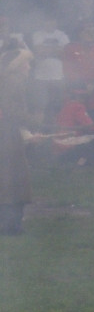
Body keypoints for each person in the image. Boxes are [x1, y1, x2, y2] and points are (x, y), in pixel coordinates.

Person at [0, 43, 35, 235]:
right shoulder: (13, 81)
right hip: (6, 134)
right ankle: (11, 225)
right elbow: (10, 109)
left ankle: (11, 223)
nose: (29, 67)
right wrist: (31, 121)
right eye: (27, 64)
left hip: (9, 133)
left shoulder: (9, 80)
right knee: (11, 179)